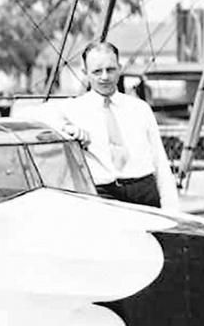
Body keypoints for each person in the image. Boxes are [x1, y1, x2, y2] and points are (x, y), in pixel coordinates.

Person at [45, 41, 181, 211]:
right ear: (85, 73)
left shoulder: (139, 108)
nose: (105, 77)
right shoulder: (73, 109)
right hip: (103, 193)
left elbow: (160, 162)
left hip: (144, 190)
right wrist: (65, 128)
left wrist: (172, 209)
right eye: (97, 71)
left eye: (110, 69)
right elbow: (27, 115)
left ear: (120, 68)